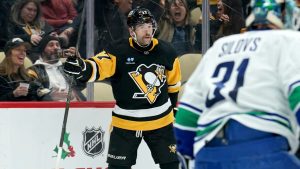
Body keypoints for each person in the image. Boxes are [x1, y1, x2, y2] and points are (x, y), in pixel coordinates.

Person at [173, 0, 300, 169]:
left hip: (209, 152)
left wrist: (187, 154)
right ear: (285, 15)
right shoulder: (289, 40)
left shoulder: (219, 47)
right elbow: (297, 94)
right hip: (264, 147)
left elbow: (187, 113)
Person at [64, 7, 181, 169]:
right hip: (126, 123)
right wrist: (82, 67)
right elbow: (97, 66)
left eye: (149, 25)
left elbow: (173, 85)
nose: (147, 31)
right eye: (141, 27)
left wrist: (173, 111)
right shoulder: (118, 51)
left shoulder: (167, 51)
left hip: (161, 121)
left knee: (173, 165)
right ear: (131, 30)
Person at [27, 35, 86, 101]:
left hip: (76, 106)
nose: (56, 48)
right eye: (51, 45)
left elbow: (82, 84)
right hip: (50, 107)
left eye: (57, 45)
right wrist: (50, 95)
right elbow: (34, 90)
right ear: (42, 51)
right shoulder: (33, 70)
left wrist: (80, 62)